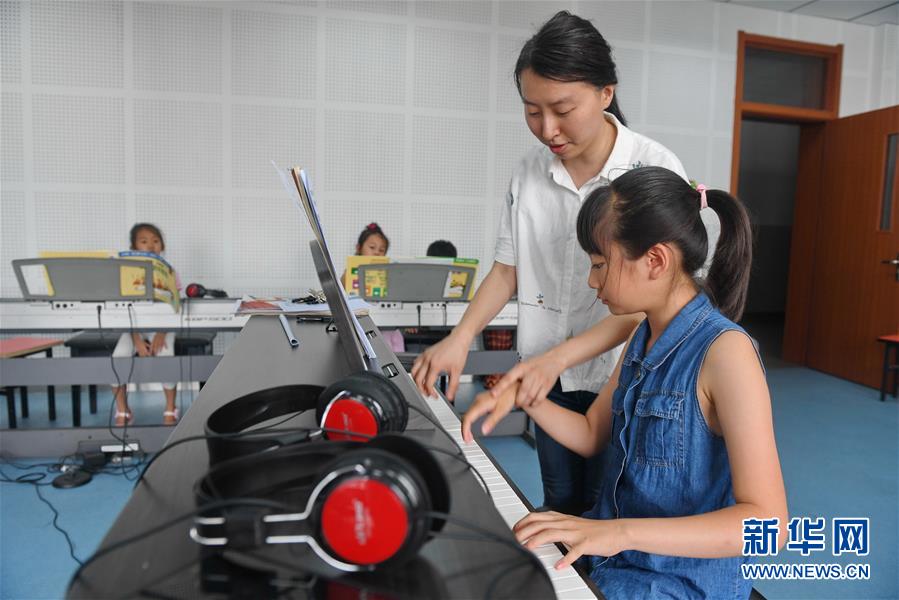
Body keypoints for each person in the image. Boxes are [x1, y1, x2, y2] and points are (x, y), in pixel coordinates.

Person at [411, 10, 719, 515]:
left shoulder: (654, 169)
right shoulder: (528, 172)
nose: (547, 129)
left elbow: (653, 303)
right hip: (544, 370)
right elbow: (507, 269)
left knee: (609, 505)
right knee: (560, 500)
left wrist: (556, 359)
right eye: (532, 111)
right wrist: (461, 337)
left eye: (562, 109)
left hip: (619, 373)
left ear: (605, 93)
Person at [462, 167, 788, 599]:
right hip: (616, 562)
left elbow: (769, 525)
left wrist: (617, 533)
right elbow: (591, 434)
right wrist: (525, 397)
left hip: (677, 582)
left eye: (600, 264)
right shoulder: (642, 335)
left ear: (655, 261)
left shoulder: (726, 353)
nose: (592, 280)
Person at [111, 223, 180, 426]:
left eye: (156, 241)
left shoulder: (170, 272)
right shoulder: (127, 273)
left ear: (162, 246)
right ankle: (122, 409)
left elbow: (175, 304)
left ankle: (170, 407)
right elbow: (124, 308)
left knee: (166, 357)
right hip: (134, 328)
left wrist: (161, 332)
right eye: (144, 241)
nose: (150, 245)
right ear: (134, 247)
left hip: (163, 326)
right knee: (118, 357)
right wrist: (136, 339)